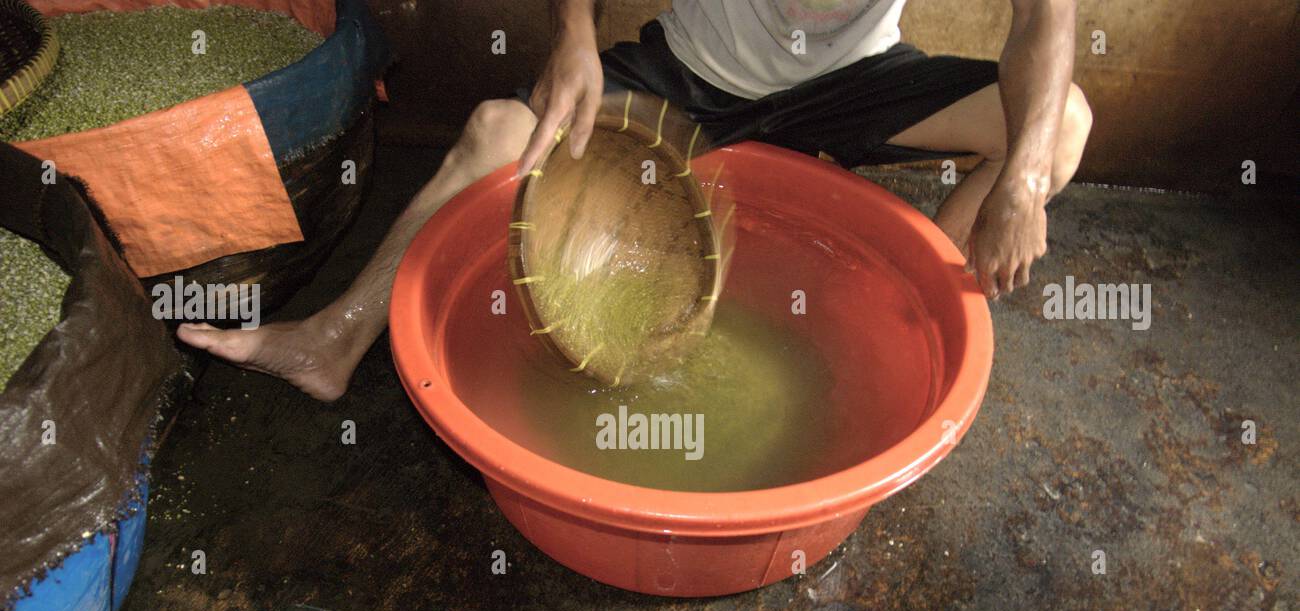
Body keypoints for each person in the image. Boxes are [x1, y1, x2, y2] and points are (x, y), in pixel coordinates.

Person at [177, 0, 1091, 401]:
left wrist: (1019, 183)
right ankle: (333, 341)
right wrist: (573, 35)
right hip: (688, 77)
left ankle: (907, 312)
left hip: (855, 84)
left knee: (1064, 125)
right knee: (500, 130)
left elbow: (1045, 15)